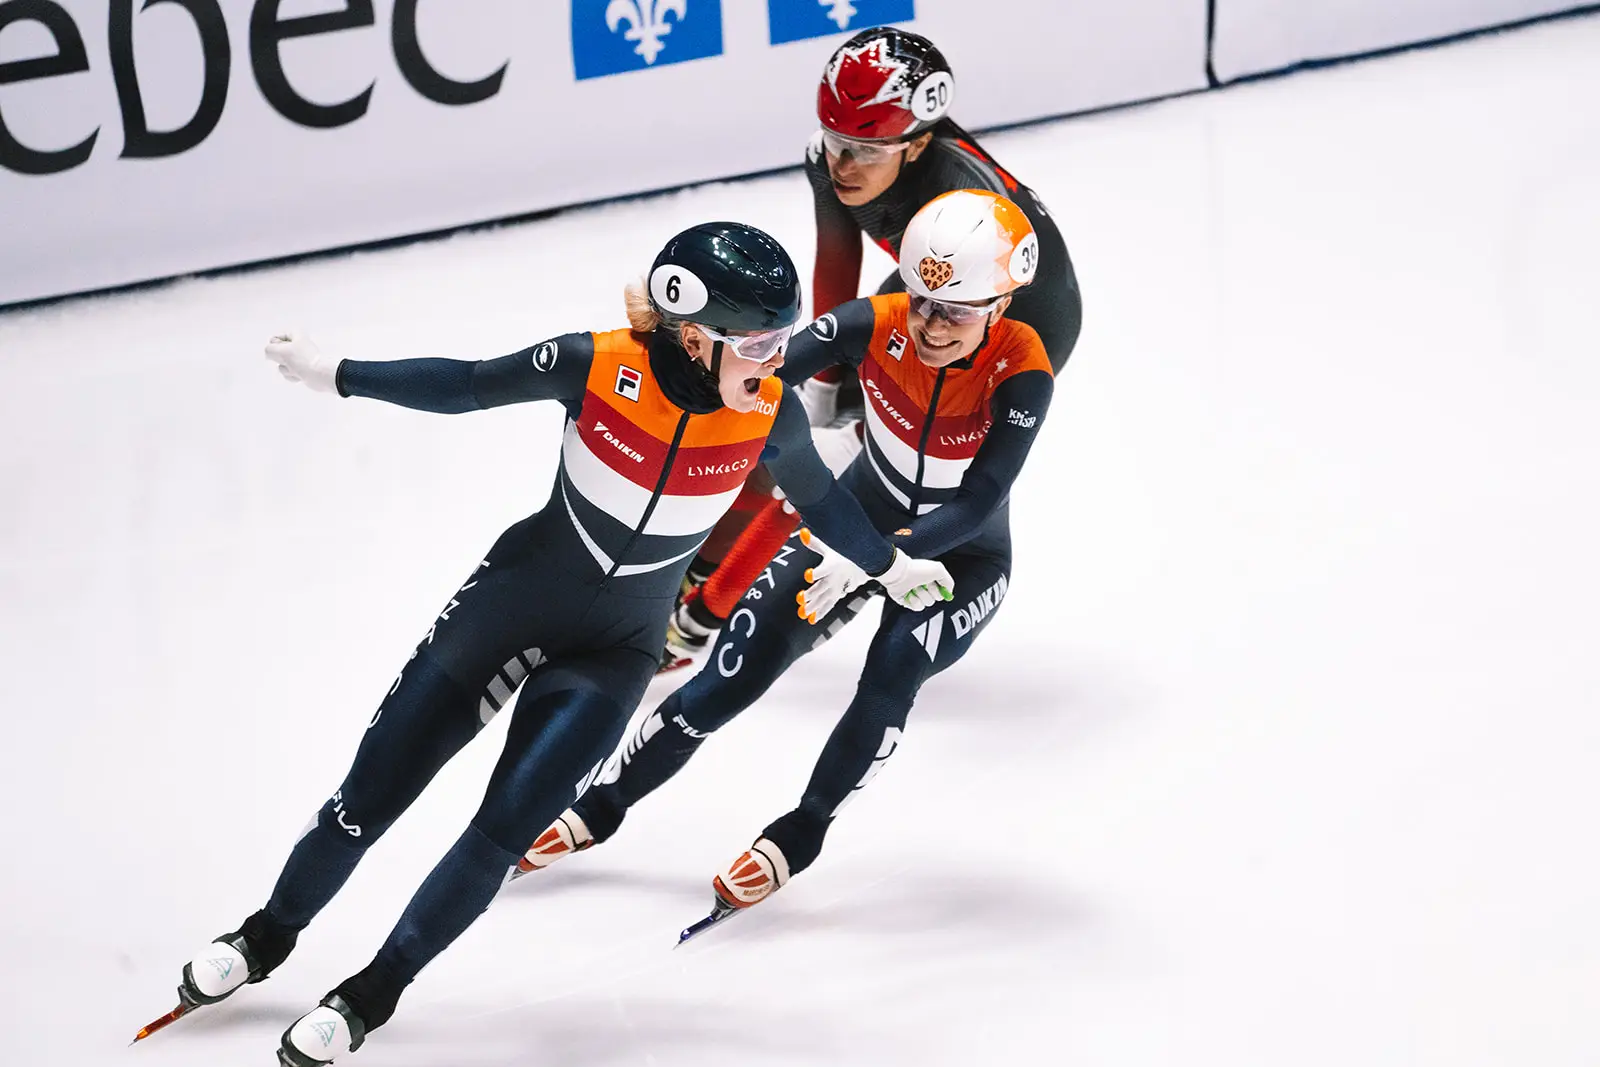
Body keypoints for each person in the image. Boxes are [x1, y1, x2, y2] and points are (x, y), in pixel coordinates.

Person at [139, 223, 955, 1065]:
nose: (777, 359)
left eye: (783, 339)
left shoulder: (773, 417)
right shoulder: (597, 362)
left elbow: (822, 501)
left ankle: (373, 992)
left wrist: (889, 565)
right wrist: (336, 373)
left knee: (500, 835)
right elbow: (467, 385)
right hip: (511, 605)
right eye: (757, 342)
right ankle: (266, 935)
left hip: (615, 656)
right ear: (691, 331)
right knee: (369, 794)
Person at [517, 191, 1055, 920]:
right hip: (858, 524)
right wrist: (669, 355)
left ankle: (802, 831)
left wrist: (878, 559)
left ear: (1002, 302)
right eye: (920, 297)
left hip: (960, 561)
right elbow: (753, 372)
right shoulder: (876, 320)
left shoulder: (1023, 367)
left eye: (954, 311)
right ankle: (603, 805)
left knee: (894, 666)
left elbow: (977, 499)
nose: (928, 324)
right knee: (734, 669)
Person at [659, 25, 1082, 670]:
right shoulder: (833, 159)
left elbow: (965, 319)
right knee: (782, 426)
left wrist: (849, 420)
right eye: (834, 142)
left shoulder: (958, 207)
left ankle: (703, 618)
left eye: (864, 150)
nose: (842, 166)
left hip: (1014, 318)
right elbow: (836, 262)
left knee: (844, 465)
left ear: (915, 148)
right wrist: (825, 382)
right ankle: (696, 587)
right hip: (920, 289)